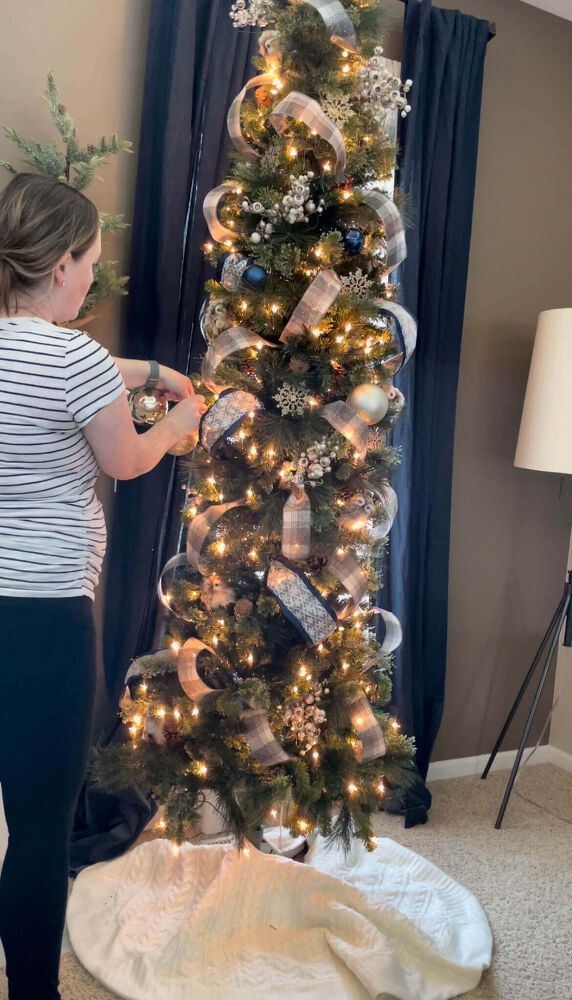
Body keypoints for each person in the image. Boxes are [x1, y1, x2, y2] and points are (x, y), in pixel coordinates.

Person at [0, 172, 206, 999]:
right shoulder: (75, 357)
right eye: (89, 261)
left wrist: (148, 368)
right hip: (44, 617)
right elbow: (126, 459)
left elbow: (69, 372)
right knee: (40, 828)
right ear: (59, 265)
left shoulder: (55, 354)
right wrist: (179, 423)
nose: (92, 276)